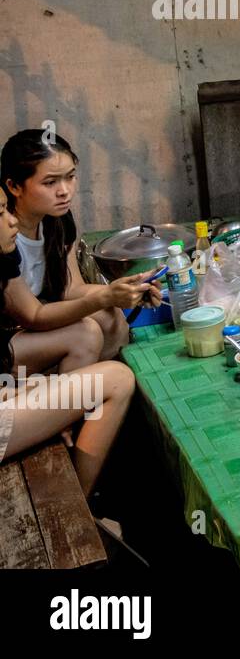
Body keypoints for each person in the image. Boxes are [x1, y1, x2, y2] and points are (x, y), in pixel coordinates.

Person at [0, 196, 136, 496]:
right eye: (1, 213)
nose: (11, 220)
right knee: (118, 379)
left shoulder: (53, 226)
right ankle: (81, 504)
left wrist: (24, 389)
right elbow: (34, 317)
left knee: (84, 351)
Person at [1, 129, 160, 367]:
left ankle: (89, 388)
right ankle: (62, 399)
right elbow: (33, 316)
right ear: (14, 186)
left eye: (70, 176)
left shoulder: (57, 220)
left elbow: (71, 289)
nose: (64, 190)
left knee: (111, 318)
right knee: (85, 334)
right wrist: (106, 296)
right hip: (10, 335)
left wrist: (129, 289)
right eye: (50, 182)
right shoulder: (4, 233)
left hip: (38, 318)